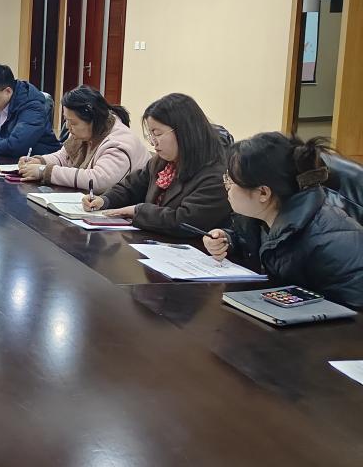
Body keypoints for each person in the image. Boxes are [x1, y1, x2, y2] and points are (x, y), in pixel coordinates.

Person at [202, 133, 363, 308]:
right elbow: (261, 245)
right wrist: (228, 240)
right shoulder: (263, 216)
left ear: (263, 193)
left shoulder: (328, 243)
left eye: (230, 181)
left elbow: (352, 314)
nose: (226, 186)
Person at [82, 92, 230, 236]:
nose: (153, 142)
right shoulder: (163, 161)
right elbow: (131, 187)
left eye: (158, 134)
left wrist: (138, 211)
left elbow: (185, 221)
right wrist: (105, 200)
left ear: (184, 132)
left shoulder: (217, 175)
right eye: (151, 135)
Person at [17, 85, 150, 191]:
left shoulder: (119, 142)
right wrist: (40, 161)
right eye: (66, 120)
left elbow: (98, 180)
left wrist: (44, 171)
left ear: (93, 119)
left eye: (73, 122)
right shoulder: (85, 132)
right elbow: (64, 157)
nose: (68, 126)